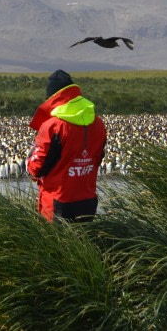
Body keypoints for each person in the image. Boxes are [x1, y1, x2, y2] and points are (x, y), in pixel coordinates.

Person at [26, 70, 107, 222]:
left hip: (58, 203)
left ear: (52, 97)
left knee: (55, 245)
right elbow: (98, 158)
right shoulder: (98, 123)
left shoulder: (53, 126)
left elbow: (36, 167)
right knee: (83, 243)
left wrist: (30, 157)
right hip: (87, 201)